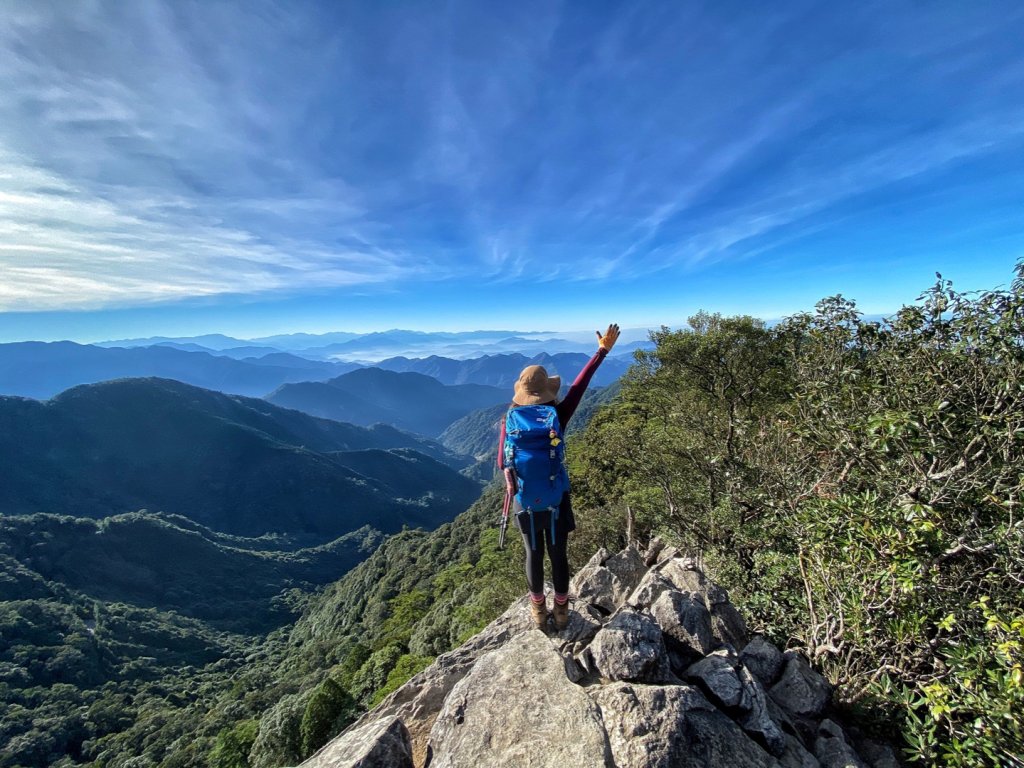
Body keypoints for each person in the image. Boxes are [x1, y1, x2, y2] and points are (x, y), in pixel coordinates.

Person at [498, 323, 620, 630]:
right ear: (549, 390)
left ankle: (538, 610)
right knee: (559, 554)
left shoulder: (509, 419)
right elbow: (580, 386)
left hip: (524, 499)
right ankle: (562, 611)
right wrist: (601, 352)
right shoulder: (557, 415)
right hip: (556, 497)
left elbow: (503, 462)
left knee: (533, 554)